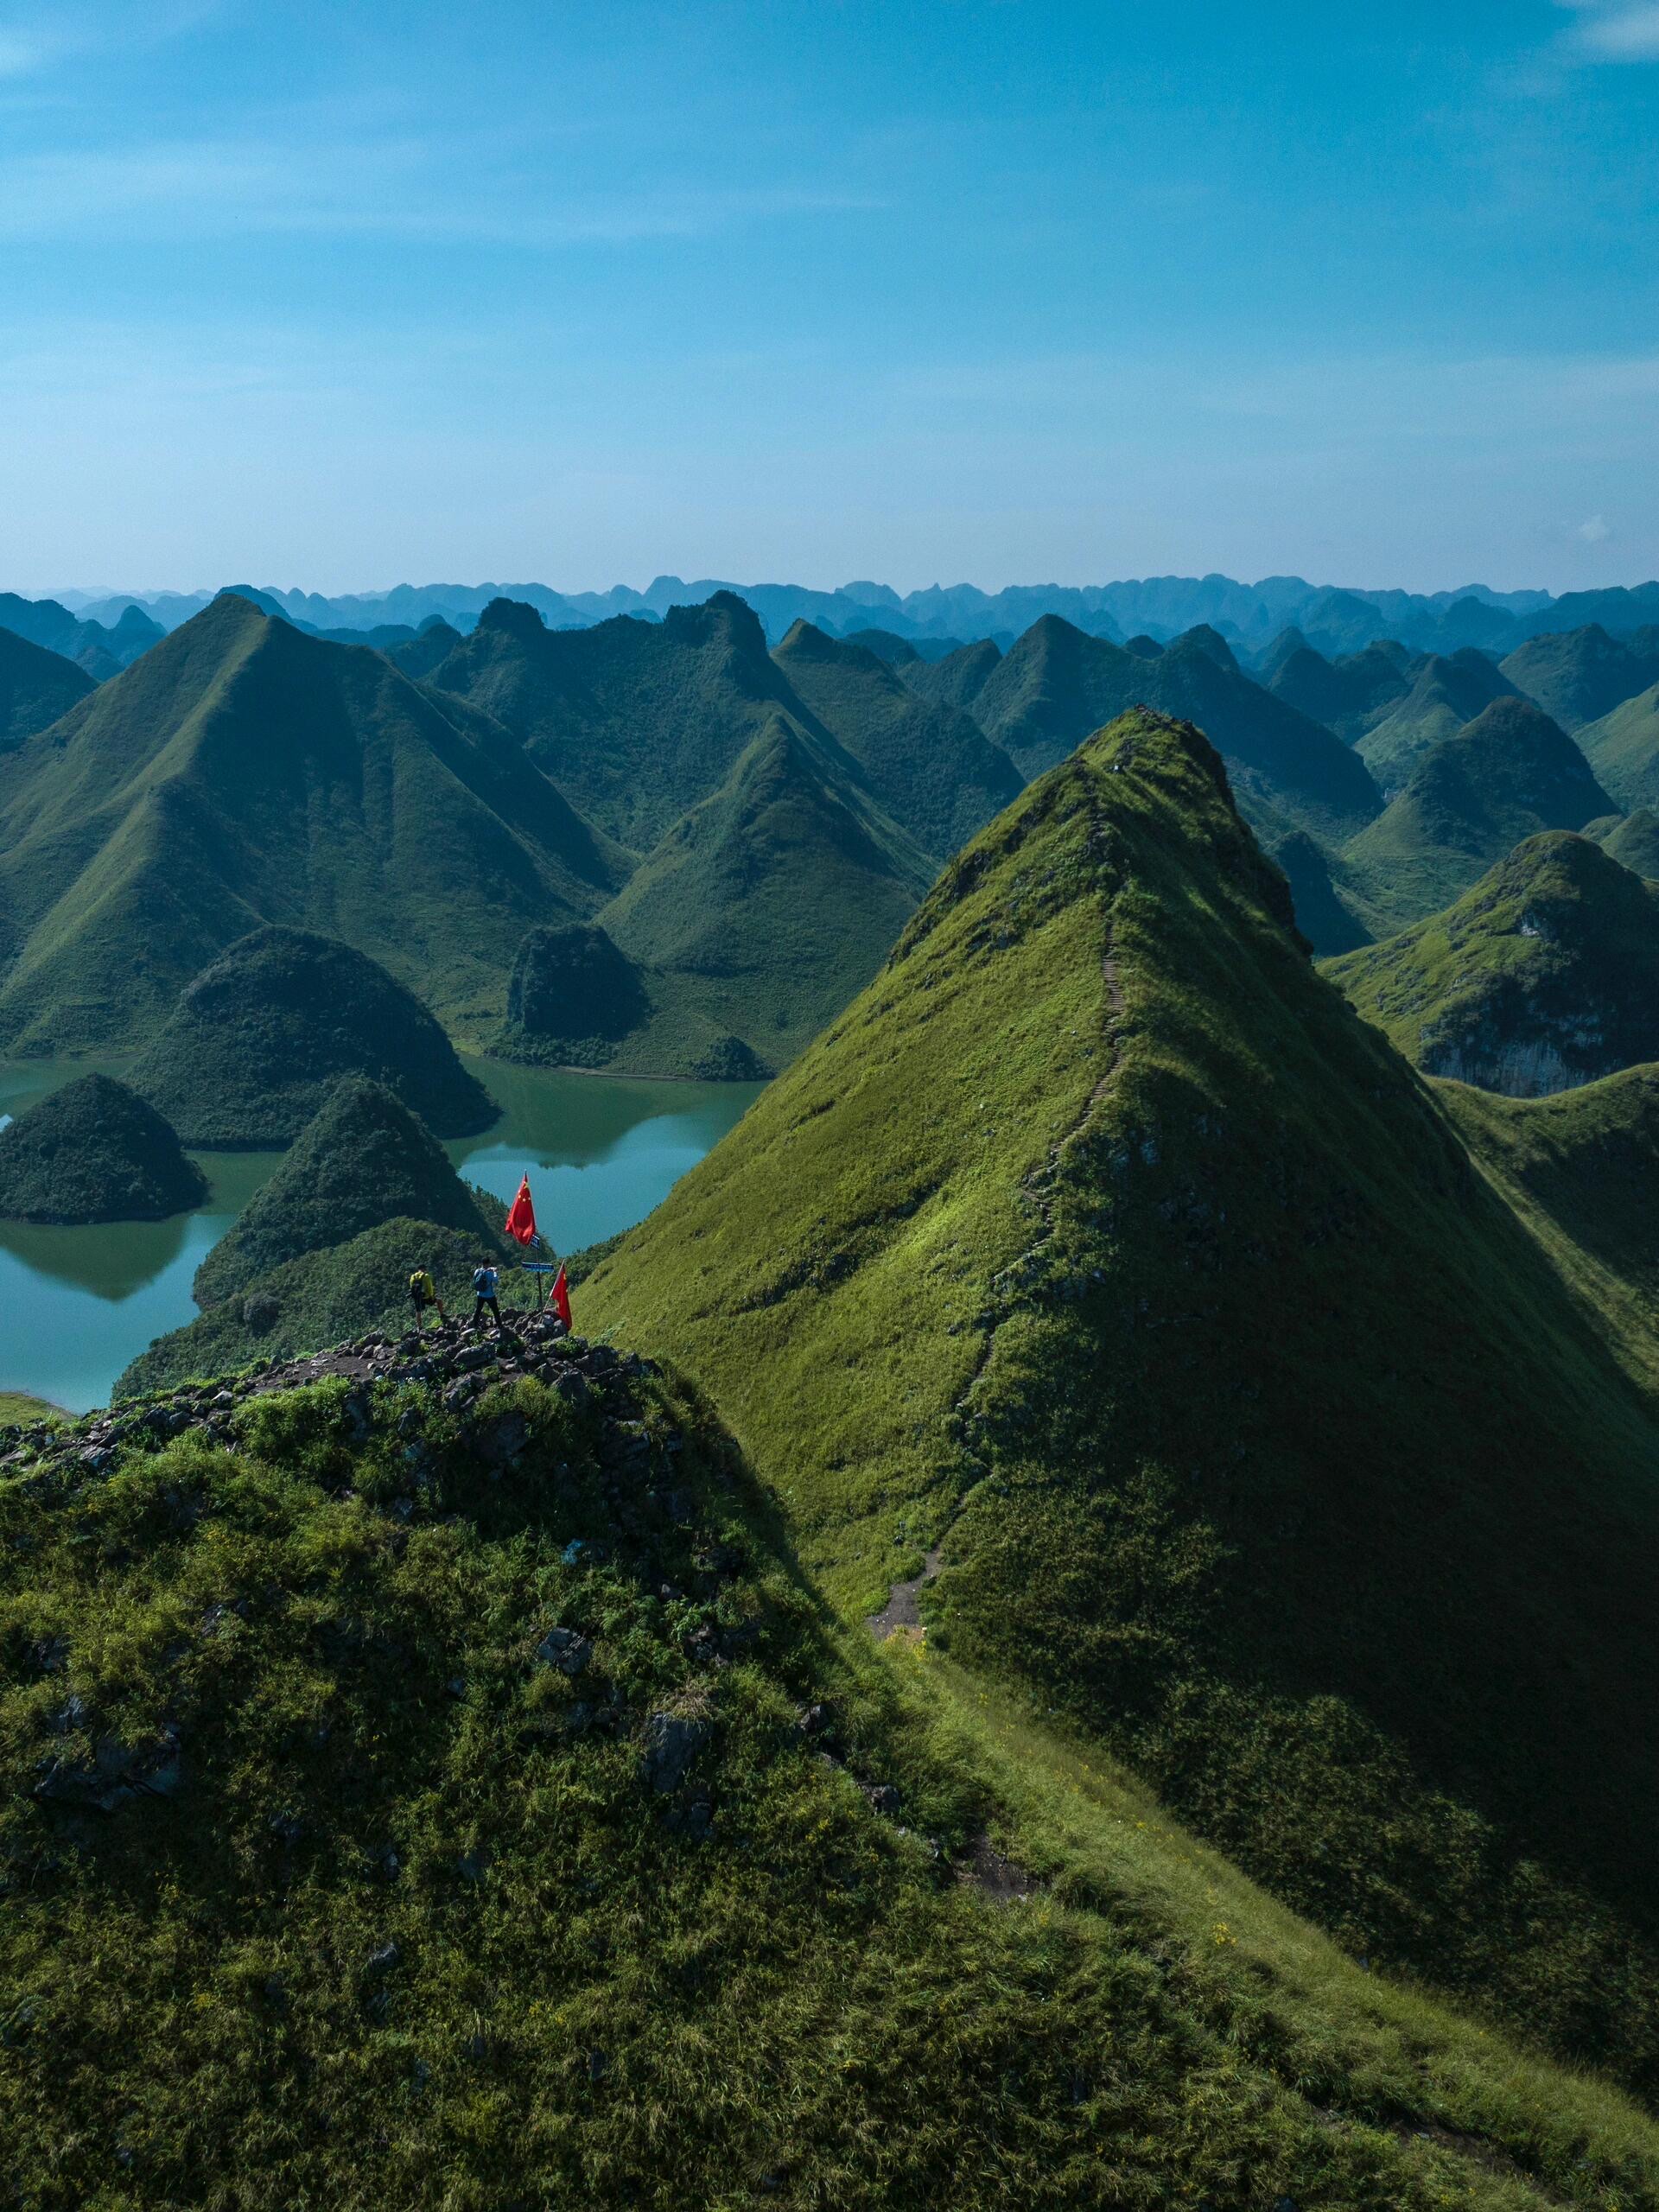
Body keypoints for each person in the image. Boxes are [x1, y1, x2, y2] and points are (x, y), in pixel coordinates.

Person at [408, 1266, 447, 1330]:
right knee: (439, 1301)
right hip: (426, 1296)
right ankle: (442, 1315)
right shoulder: (426, 1276)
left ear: (418, 1270)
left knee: (418, 1311)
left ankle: (419, 1327)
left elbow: (411, 1287)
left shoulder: (413, 1276)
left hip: (417, 1297)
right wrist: (431, 1296)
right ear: (424, 1269)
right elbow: (430, 1288)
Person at [471, 1258, 503, 1333]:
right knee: (495, 1311)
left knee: (478, 1310)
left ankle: (475, 1325)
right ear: (488, 1264)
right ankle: (500, 1326)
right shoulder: (489, 1273)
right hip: (489, 1295)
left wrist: (490, 1269)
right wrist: (495, 1272)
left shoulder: (477, 1271)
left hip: (480, 1294)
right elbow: (496, 1280)